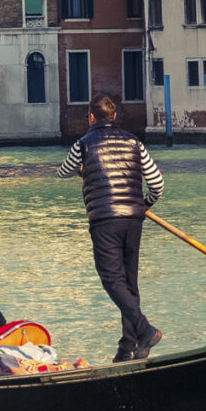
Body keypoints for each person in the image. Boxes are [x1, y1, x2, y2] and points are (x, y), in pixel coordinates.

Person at [58, 92, 165, 361]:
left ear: (91, 117)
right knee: (129, 283)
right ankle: (128, 348)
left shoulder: (83, 144)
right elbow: (157, 184)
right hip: (133, 218)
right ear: (114, 117)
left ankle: (145, 330)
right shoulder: (134, 142)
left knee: (112, 280)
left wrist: (83, 167)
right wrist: (146, 203)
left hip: (105, 220)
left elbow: (63, 171)